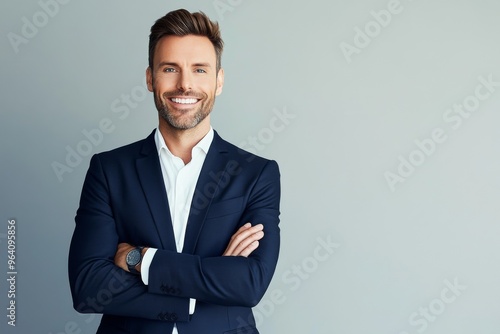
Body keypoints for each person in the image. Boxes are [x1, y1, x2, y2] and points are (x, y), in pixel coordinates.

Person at [68, 8, 281, 334]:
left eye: (199, 70)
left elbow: (249, 284)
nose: (185, 85)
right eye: (170, 69)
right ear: (150, 78)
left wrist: (140, 260)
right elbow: (88, 286)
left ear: (218, 81)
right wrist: (201, 291)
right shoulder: (110, 170)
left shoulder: (256, 174)